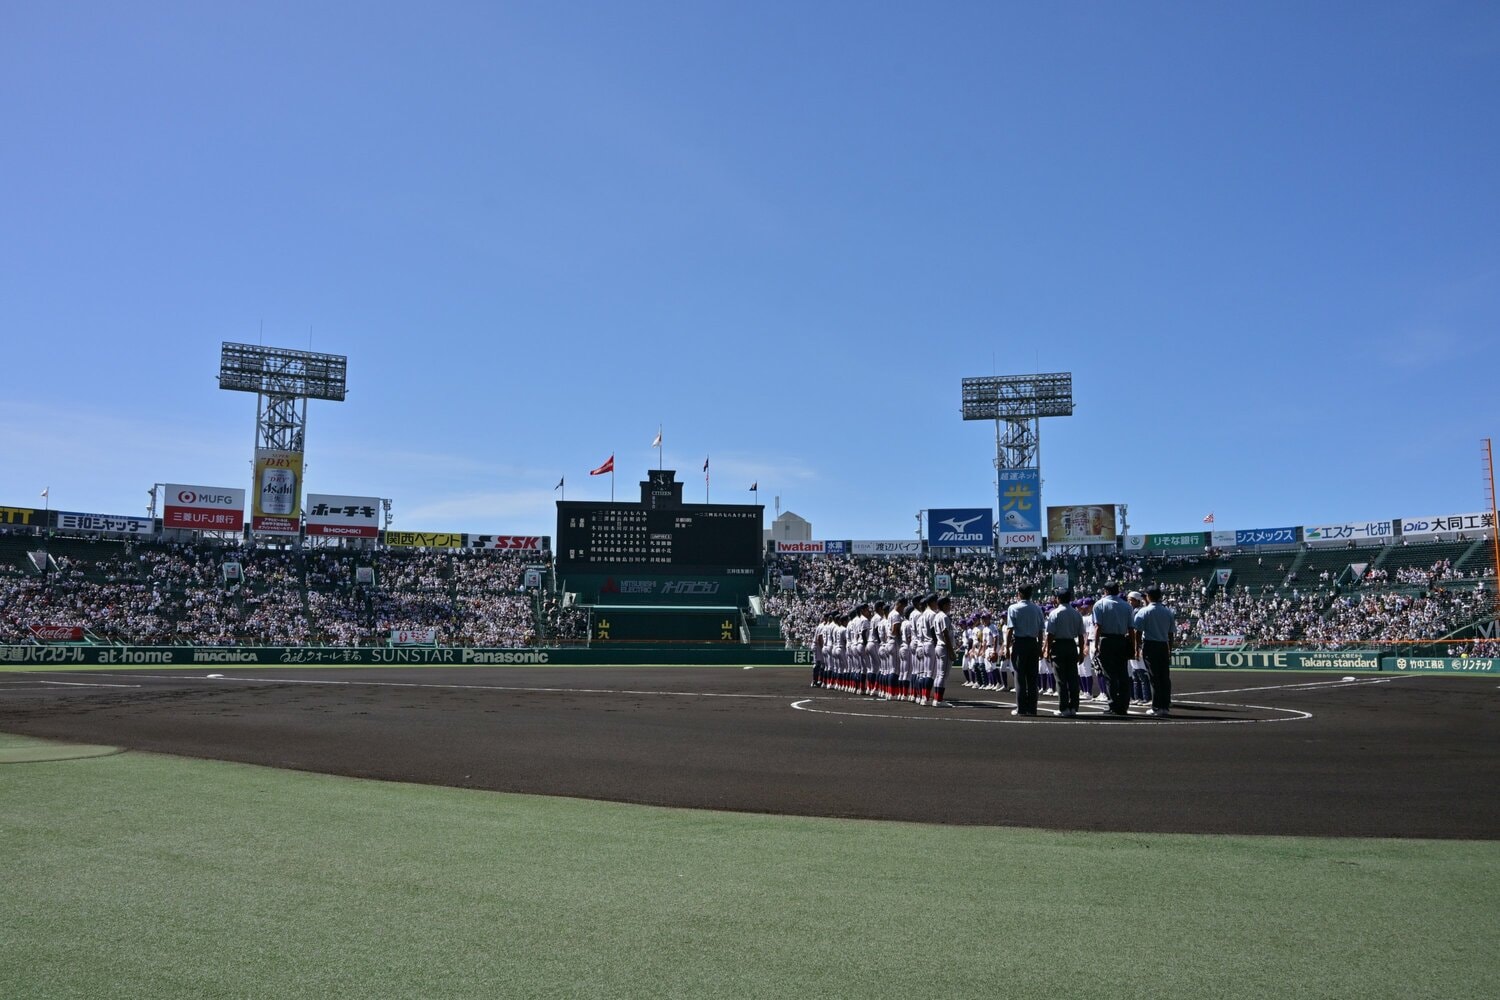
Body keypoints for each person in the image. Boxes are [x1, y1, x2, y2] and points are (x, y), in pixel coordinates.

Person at [1091, 581, 1134, 716]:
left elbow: (1098, 626)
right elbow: (1131, 629)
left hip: (1106, 640)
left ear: (1106, 591)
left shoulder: (1100, 604)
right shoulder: (1126, 606)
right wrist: (1132, 646)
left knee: (1109, 675)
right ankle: (1124, 705)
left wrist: (1096, 644)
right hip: (1122, 639)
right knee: (1123, 674)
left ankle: (1113, 705)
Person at [1134, 585, 1176, 717]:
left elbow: (1137, 633)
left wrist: (1137, 648)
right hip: (1163, 645)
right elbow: (1171, 634)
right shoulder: (1167, 611)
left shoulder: (1143, 612)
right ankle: (1165, 705)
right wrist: (1170, 649)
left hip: (1150, 645)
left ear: (1148, 596)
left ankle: (1157, 707)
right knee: (1164, 677)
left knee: (1154, 677)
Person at [1004, 584, 1045, 716]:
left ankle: (1021, 708)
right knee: (1032, 678)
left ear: (1019, 594)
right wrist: (1039, 647)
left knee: (1020, 677)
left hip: (1020, 643)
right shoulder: (1037, 609)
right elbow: (1040, 631)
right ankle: (1032, 709)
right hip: (1033, 643)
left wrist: (1006, 647)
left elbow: (1010, 629)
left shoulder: (1013, 608)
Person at [1044, 589, 1085, 717]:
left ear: (1058, 599)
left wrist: (1047, 649)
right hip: (1072, 645)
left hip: (1059, 645)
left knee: (1061, 679)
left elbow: (1050, 634)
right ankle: (1074, 707)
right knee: (1073, 678)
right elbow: (1081, 635)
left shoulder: (1055, 613)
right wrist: (1081, 652)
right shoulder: (1076, 613)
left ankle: (1064, 708)